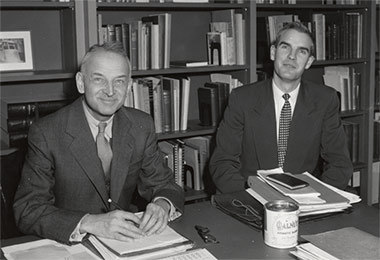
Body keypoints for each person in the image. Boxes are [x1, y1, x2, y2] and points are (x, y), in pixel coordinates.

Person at [13, 42, 184, 244]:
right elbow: (27, 209)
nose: (110, 91)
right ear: (80, 82)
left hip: (127, 242)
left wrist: (162, 204)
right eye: (99, 79)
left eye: (119, 81)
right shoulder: (47, 132)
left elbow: (164, 184)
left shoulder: (141, 125)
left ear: (129, 86)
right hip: (70, 243)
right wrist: (90, 222)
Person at [209, 21, 353, 194]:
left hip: (307, 201)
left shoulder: (325, 100)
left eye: (302, 51)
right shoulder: (242, 99)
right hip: (251, 198)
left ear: (309, 62)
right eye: (285, 47)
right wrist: (255, 196)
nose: (292, 56)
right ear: (273, 52)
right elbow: (222, 163)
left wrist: (319, 198)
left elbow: (339, 163)